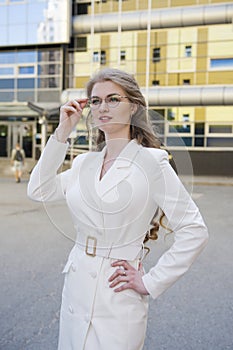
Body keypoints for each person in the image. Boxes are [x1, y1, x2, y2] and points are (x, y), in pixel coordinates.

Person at [27, 68, 208, 350]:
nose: (103, 107)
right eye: (96, 101)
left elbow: (194, 230)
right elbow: (38, 189)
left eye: (113, 99)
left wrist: (151, 282)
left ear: (133, 106)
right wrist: (62, 132)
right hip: (76, 287)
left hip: (118, 294)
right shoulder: (83, 164)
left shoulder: (153, 163)